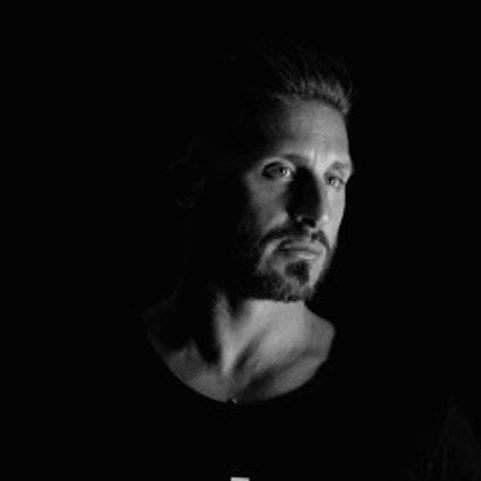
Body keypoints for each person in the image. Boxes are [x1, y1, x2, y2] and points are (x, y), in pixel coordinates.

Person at [101, 40, 481, 480]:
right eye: (281, 171)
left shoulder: (408, 413)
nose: (317, 212)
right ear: (191, 184)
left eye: (334, 179)